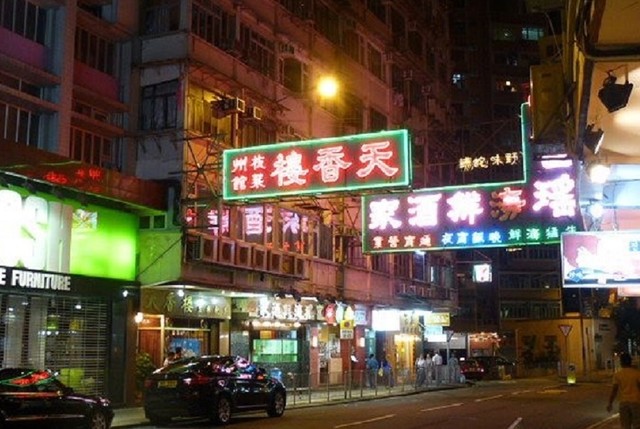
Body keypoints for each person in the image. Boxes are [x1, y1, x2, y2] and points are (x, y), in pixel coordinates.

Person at [607, 352, 640, 429]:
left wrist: (610, 403)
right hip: (636, 402)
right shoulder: (637, 374)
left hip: (624, 403)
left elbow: (614, 391)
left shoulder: (618, 375)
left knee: (625, 426)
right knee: (637, 425)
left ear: (621, 362)